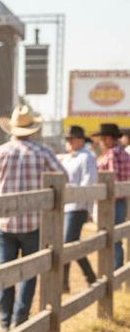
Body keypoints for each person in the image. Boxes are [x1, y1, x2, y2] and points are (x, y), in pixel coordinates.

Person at [0, 105, 67, 330]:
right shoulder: (43, 152)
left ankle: (4, 321)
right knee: (29, 272)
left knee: (5, 270)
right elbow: (63, 178)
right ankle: (20, 318)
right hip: (34, 221)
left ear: (12, 129)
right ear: (32, 129)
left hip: (5, 222)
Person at [61, 125, 98, 291]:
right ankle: (89, 278)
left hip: (77, 207)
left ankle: (64, 284)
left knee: (68, 244)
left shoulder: (87, 157)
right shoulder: (68, 158)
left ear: (81, 140)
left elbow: (88, 181)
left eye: (73, 139)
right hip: (66, 206)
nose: (69, 142)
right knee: (71, 244)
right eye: (68, 139)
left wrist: (77, 198)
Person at [92, 122, 130, 268]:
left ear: (109, 138)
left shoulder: (112, 154)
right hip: (121, 200)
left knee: (110, 237)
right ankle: (116, 270)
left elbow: (112, 177)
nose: (101, 141)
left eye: (103, 138)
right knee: (116, 237)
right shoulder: (124, 153)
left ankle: (113, 269)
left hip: (111, 200)